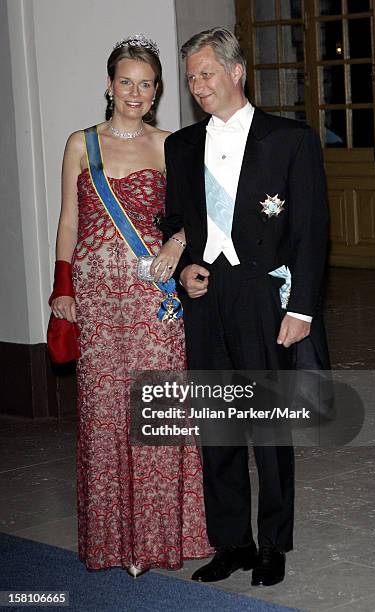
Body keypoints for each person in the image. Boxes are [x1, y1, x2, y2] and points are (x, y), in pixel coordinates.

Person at [163, 27, 330, 586]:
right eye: (191, 77)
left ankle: (273, 544)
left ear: (236, 72)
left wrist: (301, 308)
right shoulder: (181, 146)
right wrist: (184, 270)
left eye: (206, 73)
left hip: (264, 296)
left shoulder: (290, 139)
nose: (197, 85)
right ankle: (232, 541)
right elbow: (176, 222)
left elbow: (311, 232)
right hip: (206, 298)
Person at [49, 34, 212, 575]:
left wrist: (173, 243)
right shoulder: (81, 143)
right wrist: (62, 288)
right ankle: (116, 542)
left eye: (146, 84)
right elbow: (69, 222)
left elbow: (197, 214)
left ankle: (161, 539)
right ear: (109, 85)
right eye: (126, 82)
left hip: (151, 300)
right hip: (96, 300)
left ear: (158, 90)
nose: (135, 93)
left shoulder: (171, 144)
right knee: (103, 415)